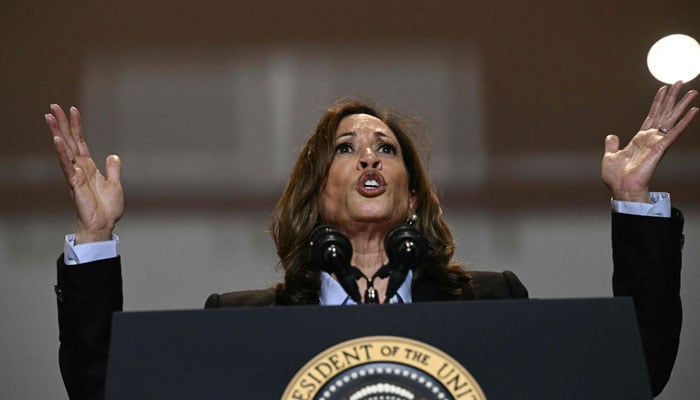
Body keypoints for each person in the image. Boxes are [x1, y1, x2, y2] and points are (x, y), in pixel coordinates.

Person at [47, 82, 697, 399]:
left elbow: (632, 367)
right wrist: (96, 236)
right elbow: (106, 387)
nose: (369, 159)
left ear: (410, 196)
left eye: (386, 150)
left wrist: (634, 203)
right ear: (316, 192)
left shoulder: (492, 304)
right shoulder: (242, 324)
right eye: (347, 149)